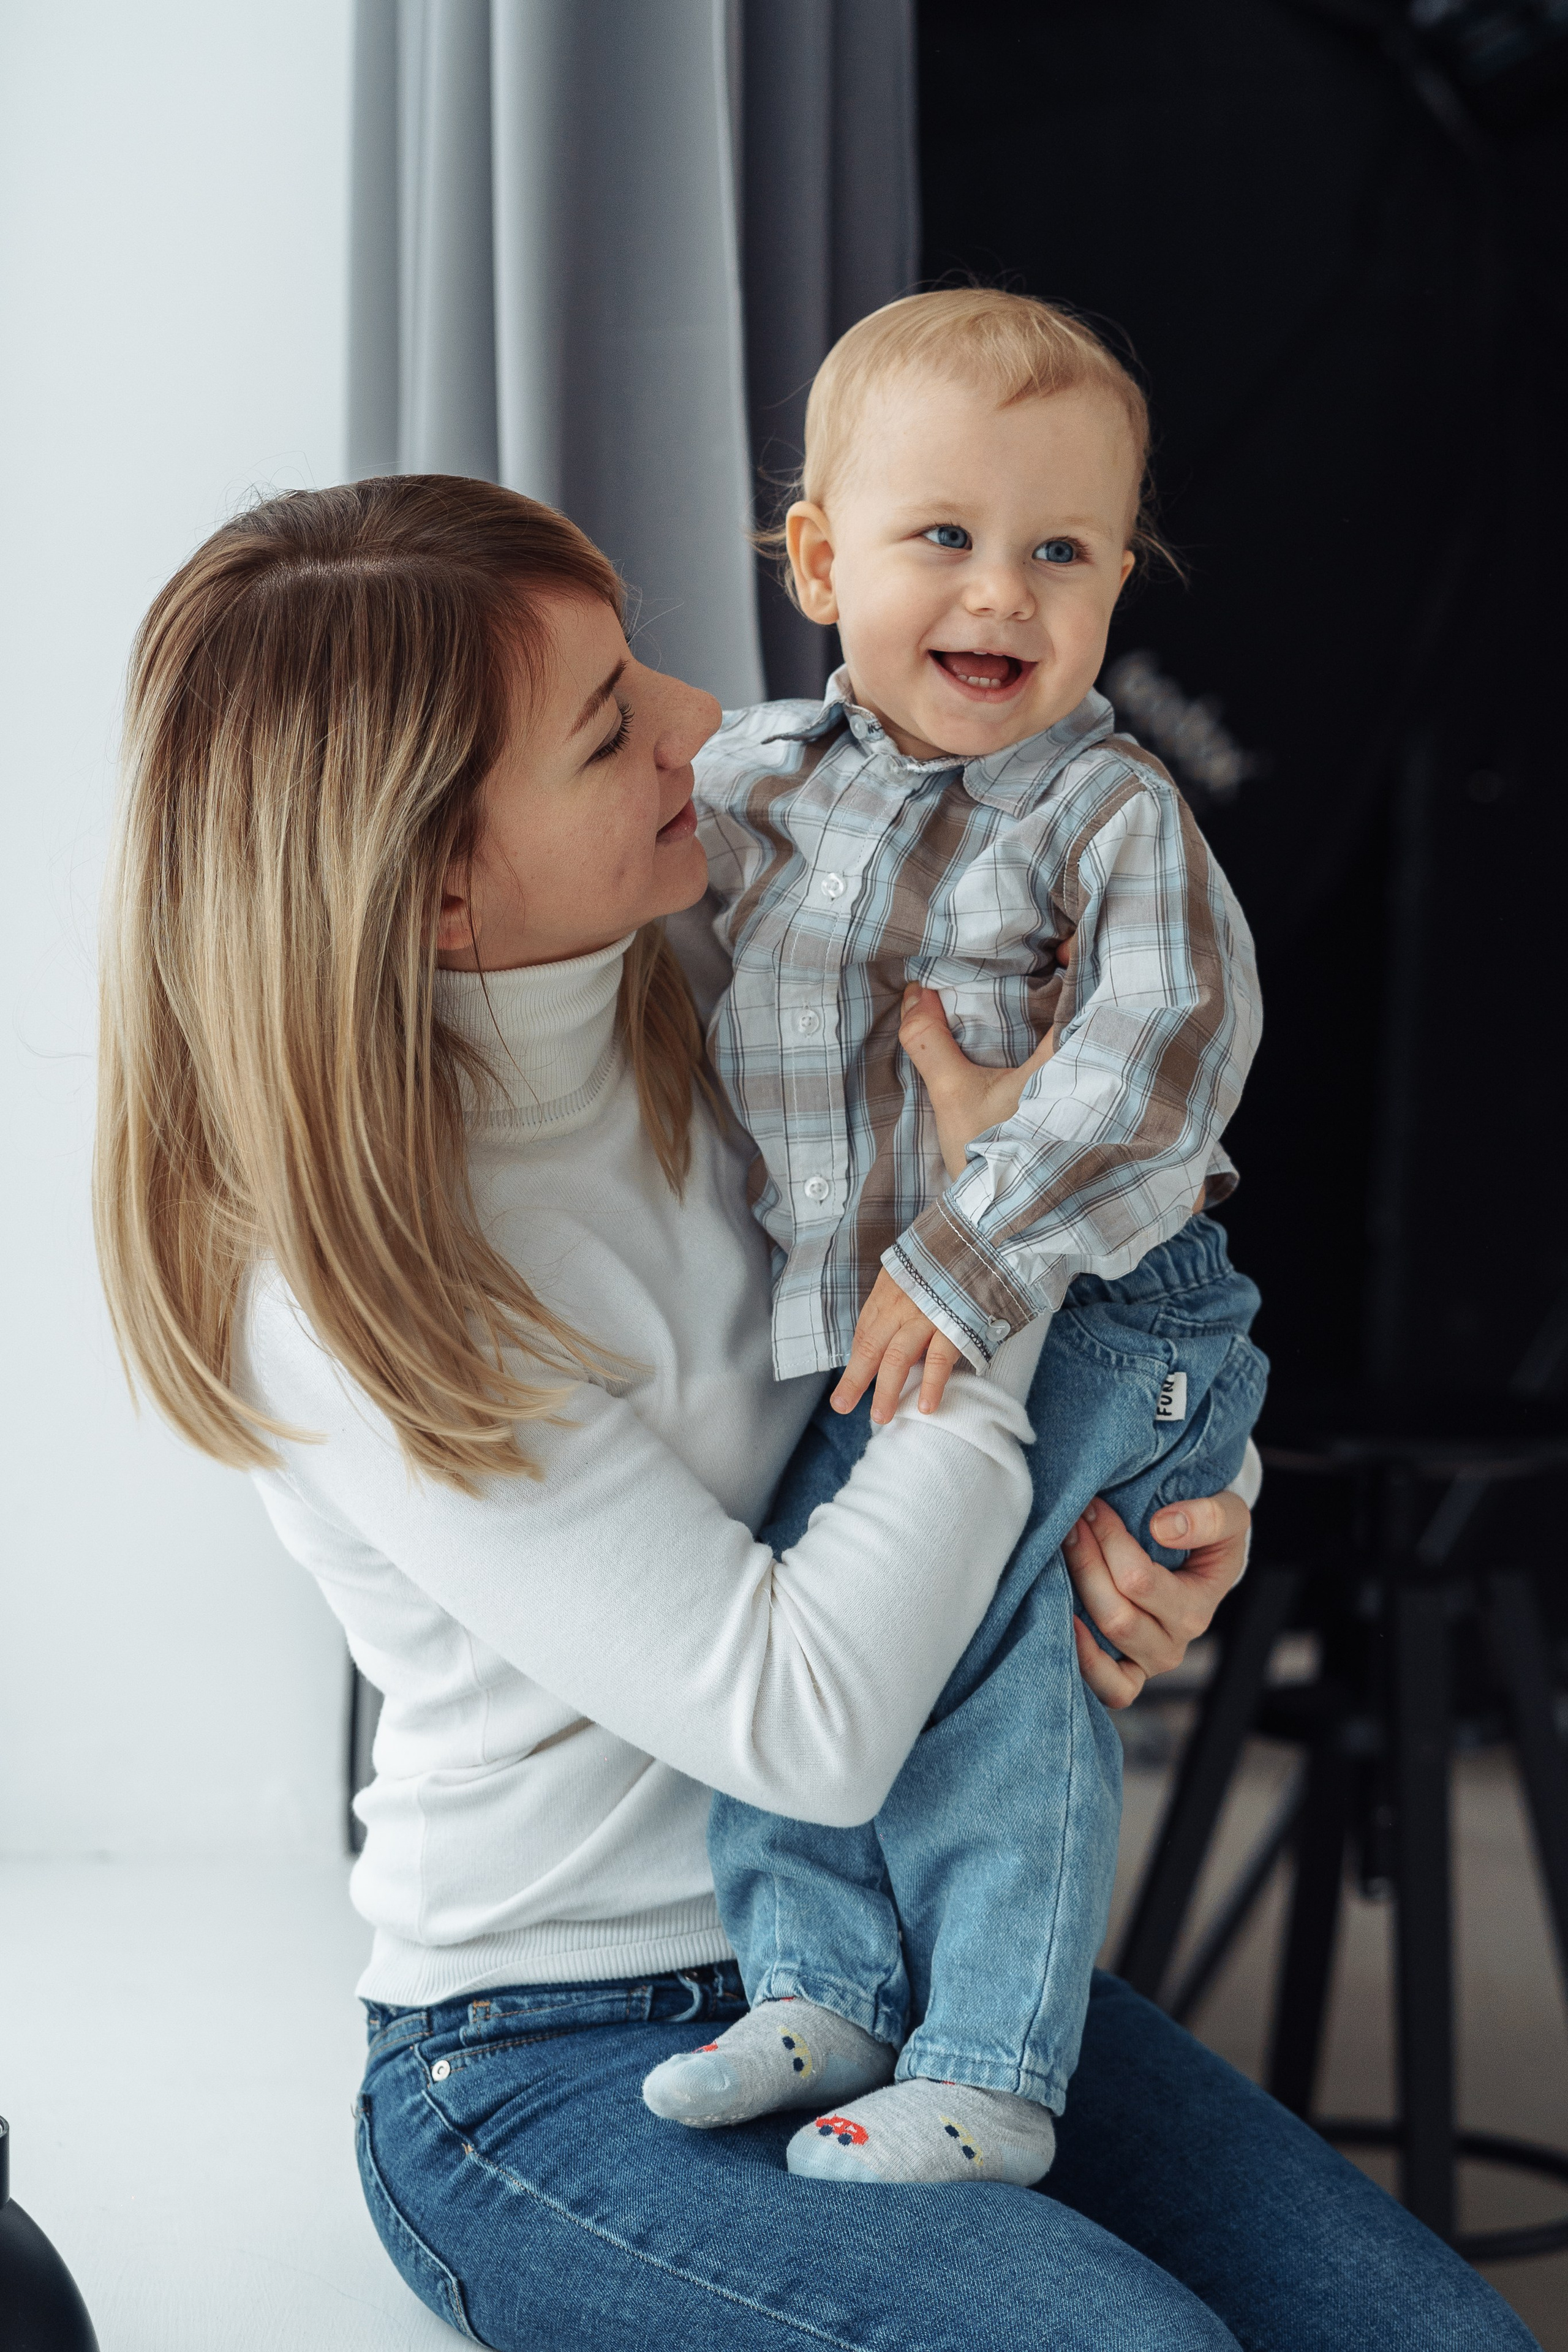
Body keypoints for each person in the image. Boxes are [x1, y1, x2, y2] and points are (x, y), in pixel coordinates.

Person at [93, 477, 1532, 2350]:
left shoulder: (726, 970)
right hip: (551, 2050)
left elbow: (1127, 1230)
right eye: (613, 727)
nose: (705, 719)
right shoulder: (347, 1276)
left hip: (900, 1954)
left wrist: (1183, 1504)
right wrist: (979, 1256)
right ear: (439, 876)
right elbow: (806, 1720)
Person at [649, 290, 1264, 2185]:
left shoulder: (1109, 816)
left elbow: (1161, 1069)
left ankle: (994, 2066)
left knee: (1008, 1683)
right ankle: (821, 1985)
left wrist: (968, 1257)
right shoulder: (752, 785)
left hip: (1074, 1303)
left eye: (1061, 552)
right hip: (890, 1327)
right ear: (824, 563)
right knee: (816, 1627)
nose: (1002, 595)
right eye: (945, 540)